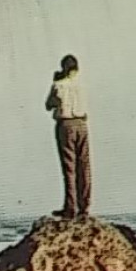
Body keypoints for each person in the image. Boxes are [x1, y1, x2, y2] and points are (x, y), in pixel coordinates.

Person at [45, 54, 91, 218]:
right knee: (84, 167)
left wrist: (55, 80)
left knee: (69, 168)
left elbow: (49, 105)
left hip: (66, 124)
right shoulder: (82, 84)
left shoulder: (58, 85)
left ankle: (71, 207)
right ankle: (84, 206)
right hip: (82, 123)